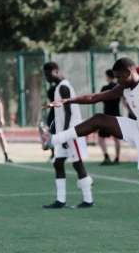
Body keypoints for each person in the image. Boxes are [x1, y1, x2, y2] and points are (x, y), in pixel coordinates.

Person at [48, 58, 139, 251]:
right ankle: (55, 139)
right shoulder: (124, 87)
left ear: (130, 72)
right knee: (99, 119)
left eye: (120, 77)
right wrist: (68, 100)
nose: (117, 81)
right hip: (138, 129)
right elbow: (96, 97)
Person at [41, 62, 94, 209]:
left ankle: (88, 199)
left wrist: (64, 134)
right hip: (64, 132)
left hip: (72, 132)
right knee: (58, 163)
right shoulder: (58, 87)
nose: (46, 77)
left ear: (56, 71)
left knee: (78, 164)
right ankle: (60, 200)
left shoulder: (64, 87)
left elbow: (69, 111)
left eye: (48, 73)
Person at [98, 69, 122, 165]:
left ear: (108, 76)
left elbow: (101, 98)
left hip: (107, 116)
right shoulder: (119, 87)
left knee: (101, 138)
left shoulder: (105, 88)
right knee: (117, 138)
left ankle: (106, 156)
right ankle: (117, 158)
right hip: (116, 115)